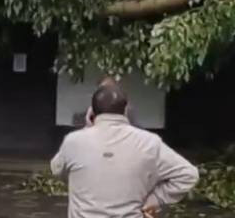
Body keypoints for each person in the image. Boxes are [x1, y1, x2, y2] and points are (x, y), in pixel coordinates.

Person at [52, 84, 199, 218]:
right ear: (126, 109)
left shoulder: (73, 142)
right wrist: (154, 199)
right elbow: (188, 175)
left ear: (91, 111)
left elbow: (57, 169)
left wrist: (87, 128)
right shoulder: (149, 143)